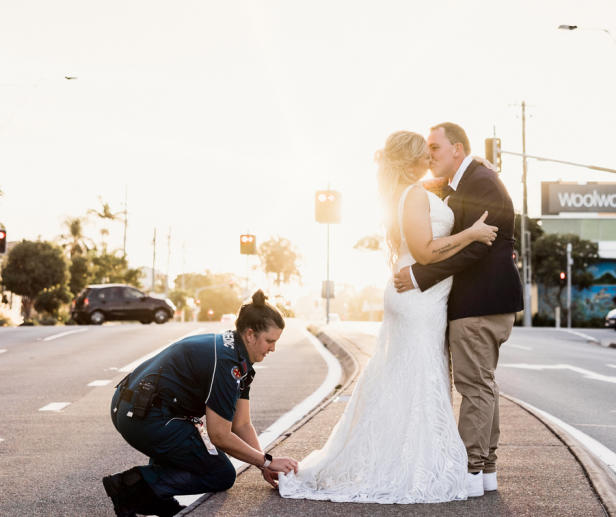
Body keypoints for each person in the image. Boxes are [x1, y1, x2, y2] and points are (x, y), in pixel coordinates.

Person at [278, 130, 498, 503]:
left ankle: (414, 458)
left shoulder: (412, 190)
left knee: (410, 376)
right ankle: (412, 465)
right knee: (420, 376)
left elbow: (446, 181)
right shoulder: (412, 195)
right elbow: (426, 252)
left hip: (423, 296)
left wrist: (480, 165)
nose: (430, 157)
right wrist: (471, 234)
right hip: (417, 298)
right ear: (411, 160)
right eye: (424, 152)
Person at [393, 122, 523, 496]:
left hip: (480, 302)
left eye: (435, 147)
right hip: (488, 301)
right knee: (483, 383)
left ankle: (470, 471)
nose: (428, 155)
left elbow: (475, 248)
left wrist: (419, 276)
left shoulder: (480, 181)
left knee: (473, 385)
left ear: (458, 149)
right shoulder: (471, 179)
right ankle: (486, 469)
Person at [102, 290, 299, 517]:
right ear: (251, 335)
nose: (273, 348)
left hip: (134, 408)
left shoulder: (236, 355)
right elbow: (220, 435)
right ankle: (130, 487)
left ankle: (152, 498)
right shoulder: (228, 363)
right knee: (220, 473)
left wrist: (263, 464)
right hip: (145, 416)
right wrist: (267, 461)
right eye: (270, 341)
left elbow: (242, 424)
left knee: (195, 451)